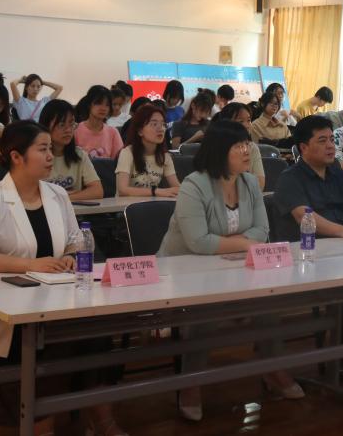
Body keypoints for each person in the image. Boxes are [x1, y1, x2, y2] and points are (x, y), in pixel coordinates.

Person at [0, 121, 126, 436]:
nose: (51, 155)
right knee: (46, 346)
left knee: (97, 334)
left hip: (58, 295)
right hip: (10, 303)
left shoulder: (57, 194)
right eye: (42, 149)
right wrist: (30, 264)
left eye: (50, 148)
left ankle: (101, 418)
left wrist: (70, 256)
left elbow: (76, 242)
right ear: (16, 156)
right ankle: (42, 425)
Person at [158, 119, 303, 420]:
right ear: (218, 150)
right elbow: (198, 241)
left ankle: (272, 367)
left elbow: (262, 230)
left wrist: (236, 245)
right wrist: (245, 244)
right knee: (207, 310)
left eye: (246, 143)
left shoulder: (249, 182)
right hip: (185, 269)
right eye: (238, 146)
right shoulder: (194, 184)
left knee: (269, 302)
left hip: (233, 265)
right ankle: (191, 382)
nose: (247, 150)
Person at [39, 100, 103, 200]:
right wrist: (76, 194)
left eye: (71, 124)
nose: (68, 130)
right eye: (61, 125)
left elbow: (97, 191)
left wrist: (64, 198)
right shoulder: (35, 156)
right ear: (46, 126)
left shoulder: (79, 154)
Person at [116, 104, 180, 198]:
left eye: (163, 124)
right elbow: (122, 190)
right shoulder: (127, 152)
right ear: (140, 131)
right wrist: (155, 191)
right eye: (154, 124)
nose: (161, 129)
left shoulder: (164, 156)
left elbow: (177, 187)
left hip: (152, 204)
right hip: (126, 206)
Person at [213, 102, 265, 187]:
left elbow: (260, 183)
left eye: (249, 120)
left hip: (248, 194)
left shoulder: (252, 147)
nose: (247, 125)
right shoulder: (215, 146)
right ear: (226, 123)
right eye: (241, 121)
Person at [75, 85, 124, 159]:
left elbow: (119, 160)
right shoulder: (76, 131)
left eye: (107, 105)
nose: (103, 108)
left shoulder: (113, 132)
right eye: (98, 103)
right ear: (89, 104)